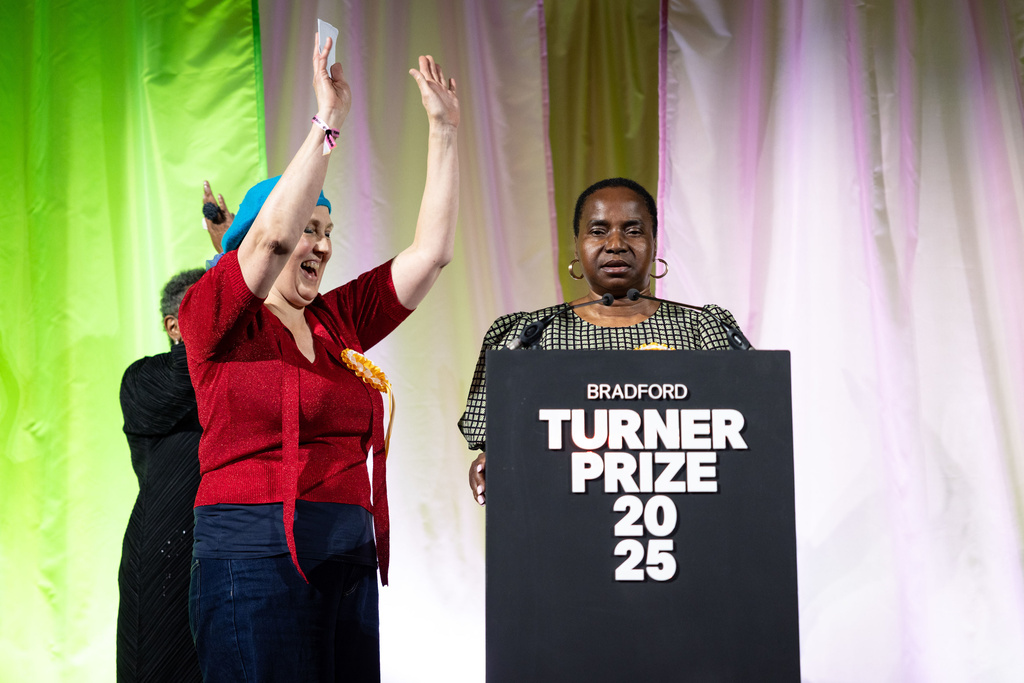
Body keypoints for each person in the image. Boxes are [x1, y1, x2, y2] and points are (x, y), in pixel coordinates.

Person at [177, 33, 459, 681]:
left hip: (347, 555)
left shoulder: (335, 320)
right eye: (312, 228)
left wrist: (444, 133)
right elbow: (273, 237)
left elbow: (431, 256)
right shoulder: (215, 317)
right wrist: (327, 123)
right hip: (252, 558)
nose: (323, 246)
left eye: (329, 232)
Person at [460, 177, 745, 505]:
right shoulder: (528, 335)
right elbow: (499, 444)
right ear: (577, 244)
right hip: (563, 514)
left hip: (683, 515)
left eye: (633, 230)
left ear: (655, 243)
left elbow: (749, 430)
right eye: (598, 231)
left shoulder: (706, 330)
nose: (615, 244)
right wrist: (490, 463)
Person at [117, 267, 207, 683]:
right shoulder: (144, 379)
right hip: (165, 559)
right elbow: (187, 374)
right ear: (173, 326)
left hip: (230, 552)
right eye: (206, 307)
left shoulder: (236, 376)